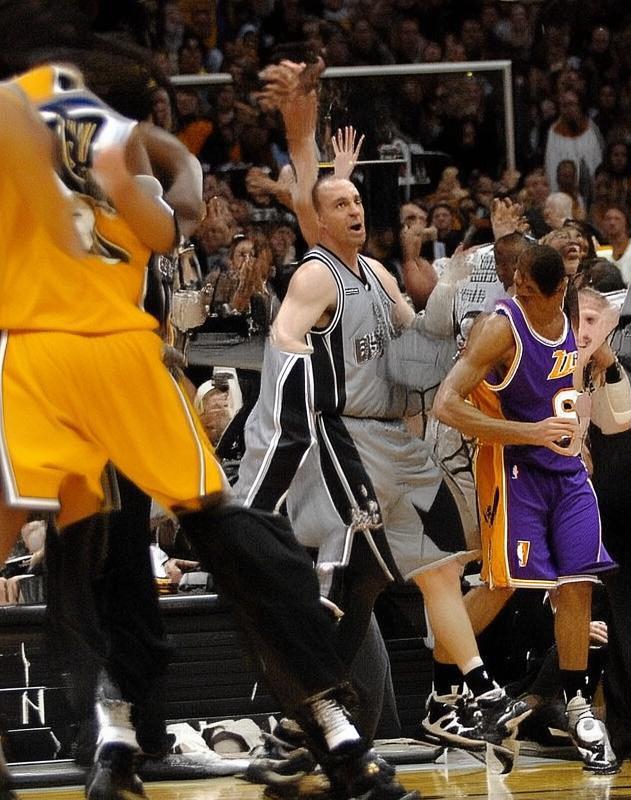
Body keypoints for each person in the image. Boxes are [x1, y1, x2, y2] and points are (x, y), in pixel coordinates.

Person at [0, 64, 414, 800]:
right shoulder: (112, 145)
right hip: (108, 359)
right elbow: (178, 208)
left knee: (102, 557)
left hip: (54, 361)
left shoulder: (36, 120)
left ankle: (121, 735)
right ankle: (329, 735)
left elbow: (168, 206)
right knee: (219, 545)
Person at [236, 61, 526, 754]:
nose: (354, 209)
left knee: (432, 566)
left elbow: (417, 341)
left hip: (396, 441)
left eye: (357, 200)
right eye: (340, 204)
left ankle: (458, 694)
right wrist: (301, 124)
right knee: (350, 580)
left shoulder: (377, 271)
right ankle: (303, 709)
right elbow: (285, 338)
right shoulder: (316, 273)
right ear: (318, 219)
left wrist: (464, 291)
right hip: (345, 439)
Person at [434, 245, 629, 774]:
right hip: (511, 466)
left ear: (559, 291)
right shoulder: (500, 328)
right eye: (516, 280)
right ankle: (443, 689)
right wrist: (531, 432)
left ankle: (578, 705)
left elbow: (579, 389)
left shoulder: (577, 317)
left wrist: (585, 421)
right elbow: (446, 404)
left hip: (566, 471)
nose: (517, 288)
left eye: (527, 285)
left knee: (579, 582)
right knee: (502, 585)